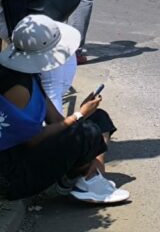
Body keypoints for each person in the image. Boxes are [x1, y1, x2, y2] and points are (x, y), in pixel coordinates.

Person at [0, 15, 128, 204]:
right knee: (86, 131)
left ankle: (87, 177)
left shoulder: (29, 74)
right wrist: (79, 114)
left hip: (28, 153)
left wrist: (84, 113)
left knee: (98, 118)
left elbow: (55, 119)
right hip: (12, 175)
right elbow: (32, 140)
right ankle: (89, 180)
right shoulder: (17, 88)